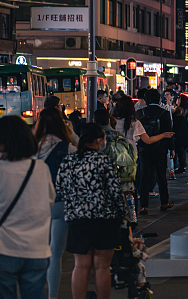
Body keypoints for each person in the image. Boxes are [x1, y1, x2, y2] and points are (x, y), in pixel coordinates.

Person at [0, 116, 55, 299]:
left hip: (3, 249)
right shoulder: (40, 168)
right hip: (37, 249)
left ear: (3, 141)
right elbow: (50, 200)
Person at [56, 123, 127, 299]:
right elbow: (115, 192)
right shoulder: (104, 161)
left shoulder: (69, 161)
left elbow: (60, 189)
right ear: (97, 140)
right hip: (104, 219)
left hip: (78, 218)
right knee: (102, 266)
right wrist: (122, 215)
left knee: (80, 266)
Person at [35, 108, 78, 299]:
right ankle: (52, 296)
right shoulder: (67, 147)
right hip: (60, 203)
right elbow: (83, 157)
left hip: (35, 204)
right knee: (55, 253)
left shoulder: (31, 147)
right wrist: (73, 134)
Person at [136, 88, 175, 214]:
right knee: (161, 176)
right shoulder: (164, 113)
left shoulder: (139, 113)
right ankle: (164, 202)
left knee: (144, 177)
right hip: (160, 148)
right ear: (159, 99)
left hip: (144, 148)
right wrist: (172, 149)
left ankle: (144, 206)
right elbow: (169, 132)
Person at [172, 94, 188, 174]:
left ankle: (177, 166)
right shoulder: (185, 111)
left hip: (178, 133)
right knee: (182, 151)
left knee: (177, 151)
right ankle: (182, 165)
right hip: (184, 134)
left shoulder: (178, 111)